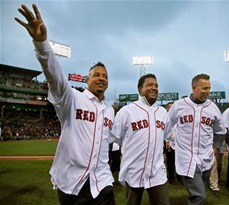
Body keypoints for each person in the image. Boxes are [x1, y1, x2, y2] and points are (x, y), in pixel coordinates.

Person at [15, 4, 116, 205]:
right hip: (72, 182)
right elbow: (55, 76)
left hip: (101, 181)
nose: (101, 78)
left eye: (105, 76)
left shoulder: (110, 110)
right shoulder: (72, 98)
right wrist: (41, 42)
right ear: (87, 80)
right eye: (96, 75)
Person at [167, 73, 226, 205]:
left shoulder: (213, 108)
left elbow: (221, 131)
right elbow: (166, 127)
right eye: (204, 88)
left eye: (209, 88)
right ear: (193, 88)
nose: (208, 91)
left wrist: (215, 149)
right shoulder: (179, 105)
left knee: (201, 193)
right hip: (187, 157)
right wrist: (174, 142)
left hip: (206, 157)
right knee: (200, 196)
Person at [111, 73, 170, 205]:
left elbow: (169, 135)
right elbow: (114, 138)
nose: (154, 87)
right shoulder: (127, 111)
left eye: (156, 85)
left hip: (157, 171)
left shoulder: (162, 112)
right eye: (149, 85)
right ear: (140, 89)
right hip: (134, 170)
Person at [164, 102, 182, 185]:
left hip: (179, 143)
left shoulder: (178, 116)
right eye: (170, 107)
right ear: (167, 109)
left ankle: (180, 177)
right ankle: (171, 178)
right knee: (170, 162)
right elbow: (164, 130)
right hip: (170, 142)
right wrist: (167, 141)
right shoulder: (166, 117)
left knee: (179, 161)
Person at [209, 132, 225, 197]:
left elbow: (222, 132)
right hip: (201, 144)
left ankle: (214, 187)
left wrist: (216, 147)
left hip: (212, 145)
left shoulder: (217, 123)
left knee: (215, 165)